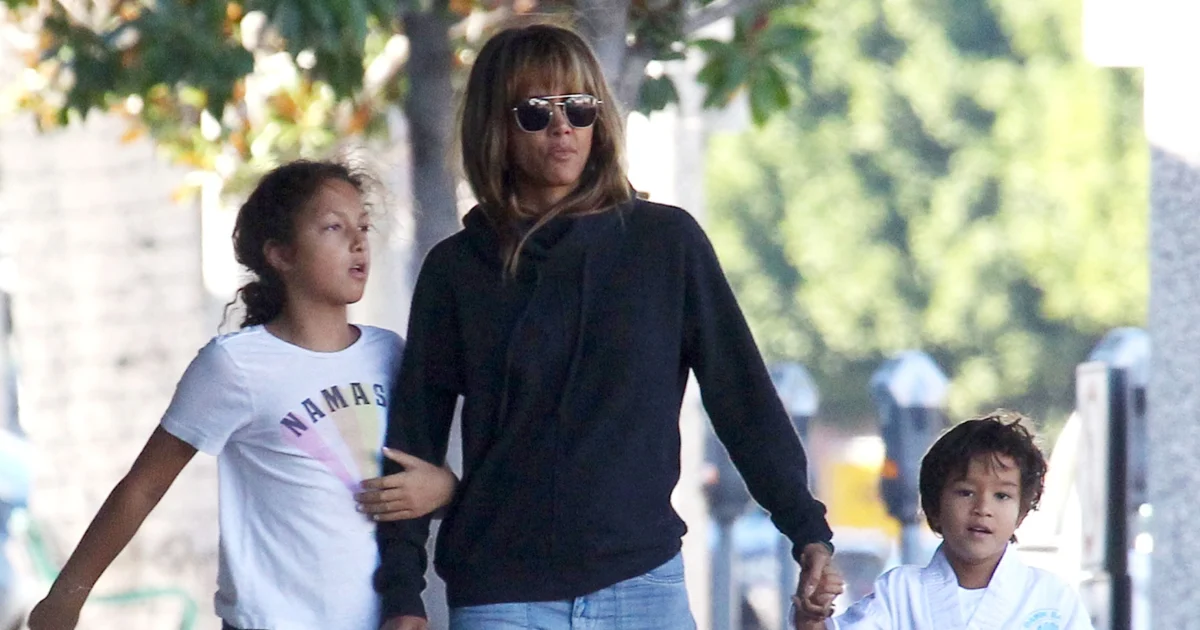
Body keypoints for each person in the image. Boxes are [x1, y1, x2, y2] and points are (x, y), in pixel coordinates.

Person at [374, 22, 838, 630]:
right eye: (535, 111)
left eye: (580, 106)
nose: (563, 126)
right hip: (503, 595)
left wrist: (807, 532)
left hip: (644, 587)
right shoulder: (457, 270)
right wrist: (404, 598)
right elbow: (411, 441)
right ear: (495, 126)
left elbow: (742, 399)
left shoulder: (666, 243)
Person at [26, 160, 457, 630]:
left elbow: (416, 476)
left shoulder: (389, 353)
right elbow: (144, 485)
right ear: (280, 254)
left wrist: (446, 489)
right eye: (333, 227)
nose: (358, 242)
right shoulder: (235, 365)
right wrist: (65, 598)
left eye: (364, 226)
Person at [801, 411, 1095, 630]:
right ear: (935, 506)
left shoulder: (1051, 596)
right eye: (966, 492)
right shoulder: (901, 592)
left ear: (1022, 512)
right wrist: (812, 616)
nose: (983, 508)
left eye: (1002, 496)